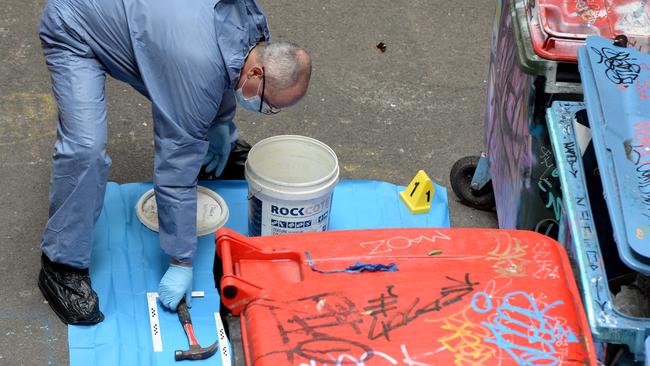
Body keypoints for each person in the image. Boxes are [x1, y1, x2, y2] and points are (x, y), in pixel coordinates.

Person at [37, 0, 312, 324]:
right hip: (75, 25)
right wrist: (181, 261)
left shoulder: (250, 26)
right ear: (257, 71)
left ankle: (207, 141)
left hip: (143, 23)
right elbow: (174, 168)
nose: (267, 111)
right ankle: (61, 264)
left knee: (194, 109)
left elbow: (226, 66)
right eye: (268, 104)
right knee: (85, 149)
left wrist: (221, 123)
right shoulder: (194, 67)